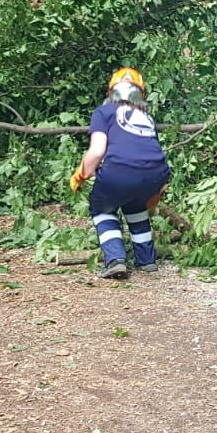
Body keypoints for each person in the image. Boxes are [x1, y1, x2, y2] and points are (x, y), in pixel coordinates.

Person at [70, 68, 172, 279]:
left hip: (120, 171)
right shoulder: (147, 117)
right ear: (140, 94)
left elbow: (97, 151)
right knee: (135, 206)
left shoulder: (103, 112)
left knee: (102, 208)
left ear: (111, 93)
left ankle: (116, 260)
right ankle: (147, 261)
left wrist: (82, 173)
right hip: (157, 174)